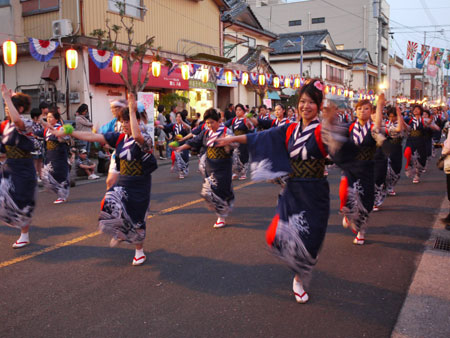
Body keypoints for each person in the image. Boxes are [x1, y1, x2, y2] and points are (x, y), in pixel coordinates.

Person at [216, 79, 342, 304]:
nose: (306, 106)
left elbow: (335, 148)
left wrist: (331, 126)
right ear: (297, 104)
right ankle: (299, 267)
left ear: (319, 105)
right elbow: (261, 137)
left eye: (312, 102)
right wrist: (233, 138)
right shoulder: (290, 129)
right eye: (303, 101)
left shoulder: (322, 129)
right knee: (274, 235)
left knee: (309, 239)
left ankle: (298, 278)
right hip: (293, 190)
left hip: (315, 193)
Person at [51, 93, 157, 265]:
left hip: (140, 185)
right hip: (124, 182)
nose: (124, 125)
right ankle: (120, 231)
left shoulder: (145, 138)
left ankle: (139, 251)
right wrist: (70, 132)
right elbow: (94, 137)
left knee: (137, 219)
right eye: (122, 121)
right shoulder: (120, 138)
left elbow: (137, 137)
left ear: (136, 121)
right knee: (110, 202)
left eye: (127, 121)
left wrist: (131, 109)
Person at [174, 108, 235, 228]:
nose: (210, 125)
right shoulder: (206, 133)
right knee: (209, 192)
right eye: (207, 123)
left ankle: (221, 216)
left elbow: (232, 148)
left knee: (219, 191)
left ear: (218, 121)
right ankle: (225, 204)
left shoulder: (226, 132)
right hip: (210, 166)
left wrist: (228, 143)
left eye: (212, 122)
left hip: (223, 167)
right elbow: (194, 141)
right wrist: (181, 148)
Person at [338, 96, 384, 245]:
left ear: (371, 112)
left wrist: (381, 107)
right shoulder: (350, 127)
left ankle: (361, 231)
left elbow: (379, 132)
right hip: (351, 168)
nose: (362, 111)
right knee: (345, 189)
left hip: (367, 169)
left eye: (366, 109)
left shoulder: (373, 128)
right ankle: (346, 212)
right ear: (355, 111)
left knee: (364, 201)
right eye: (359, 109)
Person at [0, 84, 38, 249]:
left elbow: (17, 121)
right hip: (8, 167)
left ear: (20, 108)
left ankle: (24, 235)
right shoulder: (4, 126)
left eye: (11, 106)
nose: (7, 109)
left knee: (22, 202)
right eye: (6, 106)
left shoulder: (26, 123)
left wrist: (6, 97)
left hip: (24, 168)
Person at [38, 108, 71, 204]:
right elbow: (36, 134)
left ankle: (62, 196)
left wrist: (61, 138)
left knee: (60, 175)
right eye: (47, 117)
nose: (48, 119)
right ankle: (59, 193)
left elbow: (66, 139)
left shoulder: (61, 128)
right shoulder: (46, 130)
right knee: (47, 175)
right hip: (49, 155)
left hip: (59, 155)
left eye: (50, 117)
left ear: (56, 119)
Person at [99, 99, 127, 190]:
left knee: (127, 183)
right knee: (110, 181)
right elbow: (102, 133)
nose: (112, 110)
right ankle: (110, 202)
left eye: (115, 108)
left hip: (131, 154)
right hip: (117, 155)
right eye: (111, 108)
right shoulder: (113, 123)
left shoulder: (132, 119)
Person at [224, 103, 254, 180]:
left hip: (243, 139)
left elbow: (251, 128)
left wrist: (249, 125)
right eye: (236, 110)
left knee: (243, 155)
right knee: (234, 156)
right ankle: (235, 172)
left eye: (240, 110)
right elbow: (225, 125)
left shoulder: (246, 119)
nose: (238, 112)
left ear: (243, 111)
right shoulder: (234, 119)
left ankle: (243, 172)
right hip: (235, 140)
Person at [30, 107, 44, 182]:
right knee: (35, 161)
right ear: (35, 117)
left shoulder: (40, 124)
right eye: (39, 116)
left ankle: (40, 175)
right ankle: (35, 176)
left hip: (40, 144)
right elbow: (32, 134)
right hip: (34, 145)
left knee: (40, 160)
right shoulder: (31, 124)